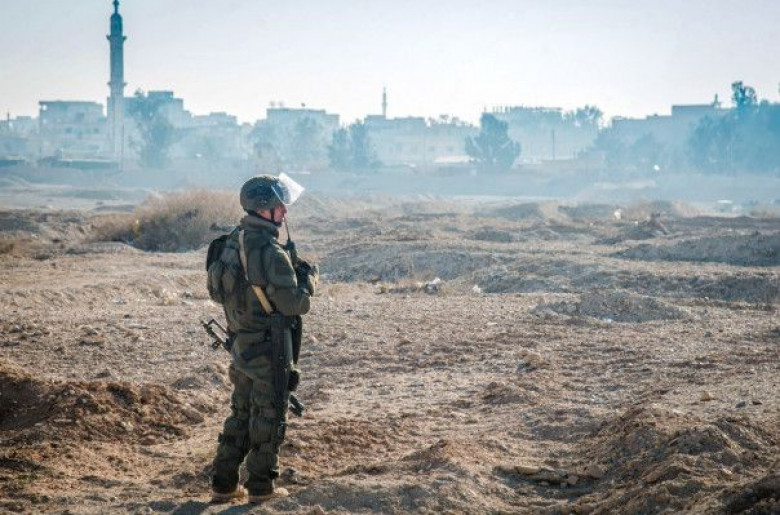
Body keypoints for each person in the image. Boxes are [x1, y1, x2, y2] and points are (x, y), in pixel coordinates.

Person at [208, 174, 318, 504]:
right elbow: (295, 305)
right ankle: (260, 488)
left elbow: (218, 293)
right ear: (263, 208)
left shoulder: (232, 241)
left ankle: (223, 484)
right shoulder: (270, 252)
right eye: (279, 206)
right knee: (269, 417)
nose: (284, 211)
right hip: (269, 349)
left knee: (241, 413)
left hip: (241, 344)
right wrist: (308, 282)